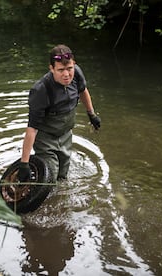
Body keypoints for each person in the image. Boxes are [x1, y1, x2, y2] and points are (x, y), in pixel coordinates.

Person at [18, 44, 100, 182]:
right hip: (45, 139)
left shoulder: (76, 73)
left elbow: (83, 90)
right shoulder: (41, 90)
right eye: (61, 70)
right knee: (50, 175)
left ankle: (61, 201)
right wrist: (24, 163)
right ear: (51, 68)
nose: (67, 74)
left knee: (63, 175)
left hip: (66, 135)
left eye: (69, 68)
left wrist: (91, 114)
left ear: (74, 64)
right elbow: (32, 128)